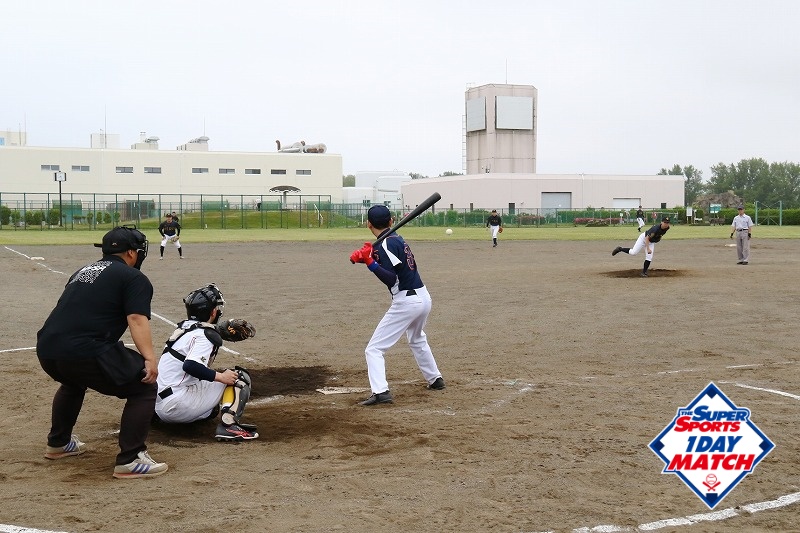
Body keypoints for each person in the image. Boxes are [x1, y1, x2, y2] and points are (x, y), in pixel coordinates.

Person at [36, 225, 168, 479]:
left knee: (72, 382)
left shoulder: (82, 271)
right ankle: (131, 459)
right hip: (84, 349)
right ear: (131, 253)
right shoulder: (133, 277)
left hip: (47, 349)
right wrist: (150, 359)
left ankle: (59, 443)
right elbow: (136, 318)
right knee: (144, 385)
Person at [349, 205, 445, 406]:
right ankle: (435, 378)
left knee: (374, 349)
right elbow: (393, 265)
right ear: (391, 221)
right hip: (423, 297)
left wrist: (370, 262)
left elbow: (391, 278)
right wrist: (367, 258)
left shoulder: (385, 243)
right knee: (417, 339)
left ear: (368, 224)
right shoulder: (396, 239)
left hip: (406, 302)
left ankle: (380, 392)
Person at [154, 284, 258, 441]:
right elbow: (190, 365)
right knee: (239, 377)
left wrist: (219, 331)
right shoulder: (204, 336)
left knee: (212, 411)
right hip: (177, 404)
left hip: (158, 405)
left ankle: (159, 418)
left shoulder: (185, 328)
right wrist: (221, 377)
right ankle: (229, 426)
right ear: (213, 312)